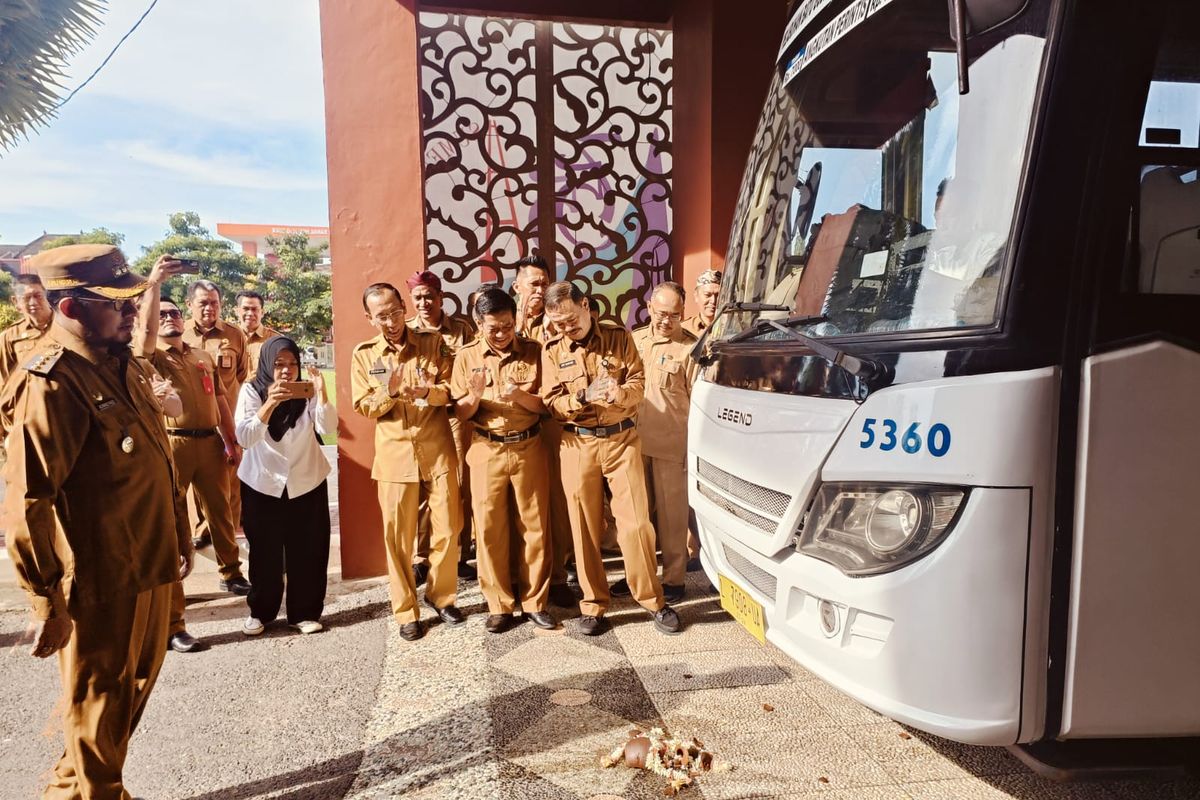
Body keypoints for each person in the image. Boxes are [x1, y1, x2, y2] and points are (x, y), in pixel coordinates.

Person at [1, 244, 191, 799]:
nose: (132, 312)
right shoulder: (53, 382)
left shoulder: (122, 361)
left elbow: (158, 453)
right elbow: (28, 499)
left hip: (148, 561)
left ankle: (68, 791)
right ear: (69, 309)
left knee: (124, 699)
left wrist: (179, 532)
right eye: (117, 303)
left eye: (133, 299)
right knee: (99, 704)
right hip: (102, 578)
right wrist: (46, 600)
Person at [540, 281, 681, 636]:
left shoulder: (618, 337)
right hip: (578, 445)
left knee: (635, 524)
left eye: (571, 320)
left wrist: (620, 394)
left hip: (621, 440)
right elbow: (552, 402)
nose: (566, 329)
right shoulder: (553, 349)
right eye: (558, 324)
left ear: (585, 305)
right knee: (584, 527)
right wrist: (582, 397)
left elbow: (638, 382)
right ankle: (593, 604)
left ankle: (652, 599)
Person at [351, 282, 463, 641]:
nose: (391, 321)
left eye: (396, 312)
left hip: (437, 448)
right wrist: (391, 391)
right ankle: (405, 610)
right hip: (396, 454)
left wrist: (426, 393)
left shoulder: (432, 344)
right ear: (369, 318)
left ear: (405, 308)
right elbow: (363, 405)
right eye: (381, 316)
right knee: (398, 538)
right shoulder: (365, 354)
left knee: (447, 528)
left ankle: (441, 596)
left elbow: (452, 390)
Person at [140, 295, 250, 650]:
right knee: (174, 525)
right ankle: (174, 620)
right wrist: (154, 289)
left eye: (173, 313)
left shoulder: (201, 355)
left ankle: (231, 573)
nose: (170, 318)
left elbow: (219, 398)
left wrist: (231, 439)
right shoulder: (150, 355)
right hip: (173, 444)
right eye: (163, 314)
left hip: (210, 442)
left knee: (221, 509)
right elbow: (143, 338)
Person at [451, 288, 555, 633]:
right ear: (479, 323)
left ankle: (535, 602)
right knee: (490, 530)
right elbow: (461, 413)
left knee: (535, 527)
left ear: (516, 320)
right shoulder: (466, 356)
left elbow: (547, 405)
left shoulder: (535, 352)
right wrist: (476, 394)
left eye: (508, 326)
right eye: (493, 328)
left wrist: (520, 396)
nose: (501, 334)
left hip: (528, 447)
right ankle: (499, 605)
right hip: (487, 449)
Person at [236, 336, 334, 636]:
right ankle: (261, 612)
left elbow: (328, 429)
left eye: (292, 364)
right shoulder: (252, 390)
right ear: (267, 364)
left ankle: (303, 612)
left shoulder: (306, 392)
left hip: (306, 480)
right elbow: (245, 437)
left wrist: (322, 395)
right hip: (263, 484)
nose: (286, 371)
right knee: (264, 553)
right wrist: (270, 403)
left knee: (308, 550)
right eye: (279, 364)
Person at [512, 256, 578, 608]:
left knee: (556, 503)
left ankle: (557, 575)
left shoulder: (557, 320)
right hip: (514, 426)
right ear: (517, 286)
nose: (539, 290)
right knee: (521, 508)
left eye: (543, 284)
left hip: (551, 423)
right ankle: (518, 577)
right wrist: (520, 320)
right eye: (532, 284)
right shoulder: (505, 320)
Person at [630, 282, 699, 603]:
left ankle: (673, 580)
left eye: (673, 315)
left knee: (673, 520)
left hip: (672, 447)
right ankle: (640, 575)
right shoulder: (635, 340)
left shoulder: (691, 349)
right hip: (632, 444)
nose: (665, 321)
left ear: (682, 314)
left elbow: (699, 404)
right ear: (648, 307)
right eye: (660, 314)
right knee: (637, 518)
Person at [405, 270, 476, 583]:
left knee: (458, 487)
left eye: (429, 296)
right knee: (421, 488)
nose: (424, 302)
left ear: (440, 297)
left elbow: (473, 366)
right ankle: (420, 557)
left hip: (455, 419)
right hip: (421, 420)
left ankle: (458, 554)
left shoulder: (461, 330)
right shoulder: (406, 331)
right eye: (418, 297)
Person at [184, 279, 248, 548]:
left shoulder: (234, 335)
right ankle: (201, 530)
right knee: (194, 488)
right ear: (189, 305)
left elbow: (241, 375)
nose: (210, 308)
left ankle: (228, 536)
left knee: (231, 483)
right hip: (192, 425)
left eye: (214, 303)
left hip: (227, 421)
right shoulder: (178, 335)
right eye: (203, 303)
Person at [0, 274, 54, 383]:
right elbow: (5, 381)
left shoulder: (66, 327)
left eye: (38, 295)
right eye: (26, 298)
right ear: (15, 301)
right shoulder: (10, 337)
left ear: (47, 295)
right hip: (31, 398)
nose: (33, 302)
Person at [236, 290, 282, 374]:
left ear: (262, 312)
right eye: (245, 309)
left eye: (254, 309)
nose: (250, 313)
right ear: (237, 311)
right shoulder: (228, 338)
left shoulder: (276, 340)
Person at [682, 269, 722, 337]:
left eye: (718, 295)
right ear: (696, 296)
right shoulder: (684, 329)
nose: (713, 300)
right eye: (707, 295)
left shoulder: (733, 327)